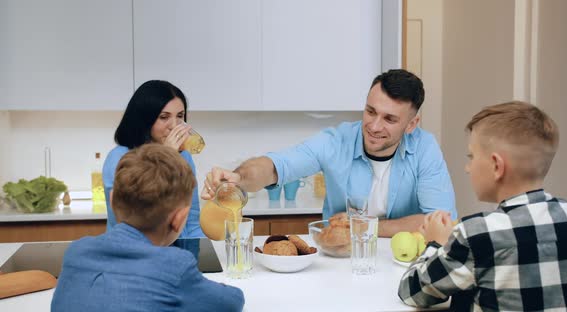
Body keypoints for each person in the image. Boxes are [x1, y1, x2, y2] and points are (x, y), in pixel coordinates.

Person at [202, 69, 456, 237]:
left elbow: (441, 221)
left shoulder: (425, 148)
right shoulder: (336, 141)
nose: (374, 126)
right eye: (370, 111)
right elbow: (275, 166)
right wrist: (238, 177)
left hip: (404, 262)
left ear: (412, 124)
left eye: (389, 119)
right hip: (340, 259)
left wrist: (362, 226)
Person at [398, 101, 567, 310]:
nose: (467, 168)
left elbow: (412, 292)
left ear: (497, 166)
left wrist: (435, 244)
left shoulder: (476, 234)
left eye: (471, 157)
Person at [51, 144, 245, 312]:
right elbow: (232, 302)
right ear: (179, 218)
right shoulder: (174, 266)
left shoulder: (76, 252)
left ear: (111, 201)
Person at [103, 80, 203, 237]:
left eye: (180, 116)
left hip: (177, 250)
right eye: (164, 117)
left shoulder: (184, 157)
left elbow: (192, 219)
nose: (174, 125)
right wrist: (166, 157)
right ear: (144, 119)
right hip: (133, 251)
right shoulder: (118, 157)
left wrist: (195, 251)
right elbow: (128, 221)